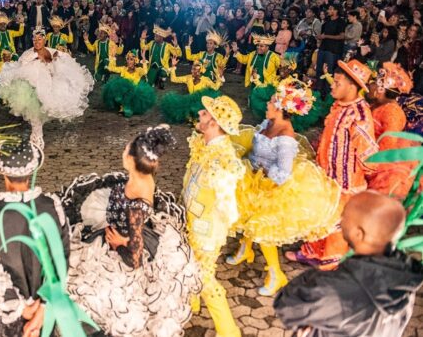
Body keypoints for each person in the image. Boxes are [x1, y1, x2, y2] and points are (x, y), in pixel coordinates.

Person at [63, 125, 202, 337]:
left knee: (93, 287)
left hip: (125, 241)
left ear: (130, 161)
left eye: (126, 149)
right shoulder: (141, 177)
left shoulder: (137, 205)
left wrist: (121, 241)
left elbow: (136, 259)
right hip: (121, 222)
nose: (123, 151)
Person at [226, 78, 342, 296]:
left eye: (271, 102)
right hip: (253, 178)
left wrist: (263, 170)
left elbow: (283, 175)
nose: (267, 105)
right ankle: (245, 248)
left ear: (280, 106)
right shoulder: (268, 122)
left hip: (273, 189)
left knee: (262, 227)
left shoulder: (286, 137)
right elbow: (254, 145)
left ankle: (276, 273)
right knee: (246, 215)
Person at [274, 191, 423, 337]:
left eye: (344, 215)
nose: (340, 219)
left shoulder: (335, 289)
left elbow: (286, 305)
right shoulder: (406, 278)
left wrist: (318, 275)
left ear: (359, 233)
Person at [0, 139, 67, 337]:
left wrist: (21, 308)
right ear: (31, 172)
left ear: (4, 174)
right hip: (45, 311)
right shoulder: (53, 206)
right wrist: (43, 306)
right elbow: (62, 258)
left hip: (8, 315)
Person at [287, 60, 378, 270]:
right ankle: (311, 251)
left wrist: (367, 180)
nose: (332, 85)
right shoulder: (338, 106)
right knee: (320, 214)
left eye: (337, 82)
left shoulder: (360, 115)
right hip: (326, 176)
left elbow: (369, 154)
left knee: (337, 223)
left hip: (346, 183)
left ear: (352, 86)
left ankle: (330, 262)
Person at [182, 95, 245, 337]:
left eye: (206, 113)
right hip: (191, 222)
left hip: (206, 232)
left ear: (215, 123)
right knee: (189, 266)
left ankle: (229, 331)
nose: (200, 113)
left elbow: (228, 207)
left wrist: (213, 230)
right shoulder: (205, 144)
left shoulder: (223, 159)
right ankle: (191, 303)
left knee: (206, 278)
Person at [0, 27, 93, 149]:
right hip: (32, 89)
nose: (37, 42)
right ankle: (37, 140)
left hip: (49, 87)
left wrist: (57, 60)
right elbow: (21, 68)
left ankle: (36, 139)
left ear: (44, 40)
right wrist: (33, 60)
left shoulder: (51, 51)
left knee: (42, 113)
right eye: (34, 39)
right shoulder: (28, 54)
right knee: (35, 114)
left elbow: (65, 59)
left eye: (39, 39)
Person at [366, 62, 418, 199]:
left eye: (373, 84)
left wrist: (365, 162)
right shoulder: (377, 105)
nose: (368, 87)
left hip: (379, 167)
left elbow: (387, 146)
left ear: (381, 90)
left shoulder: (392, 112)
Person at [160, 58, 222, 124]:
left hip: (201, 104)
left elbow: (215, 88)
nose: (192, 71)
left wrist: (219, 77)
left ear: (200, 71)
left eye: (195, 69)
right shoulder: (188, 78)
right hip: (191, 101)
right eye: (192, 69)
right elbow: (174, 79)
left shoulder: (206, 80)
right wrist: (173, 66)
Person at [101, 49, 156, 117]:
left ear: (135, 61)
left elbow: (145, 72)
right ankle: (123, 107)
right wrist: (112, 57)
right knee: (118, 95)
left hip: (134, 93)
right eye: (128, 59)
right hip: (124, 93)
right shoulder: (123, 69)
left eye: (131, 59)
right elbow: (111, 68)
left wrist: (144, 59)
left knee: (128, 112)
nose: (129, 61)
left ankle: (128, 107)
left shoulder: (138, 70)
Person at [315, 4, 346, 97]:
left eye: (331, 9)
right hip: (323, 48)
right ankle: (318, 93)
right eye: (329, 9)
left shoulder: (340, 21)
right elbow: (323, 34)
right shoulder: (327, 21)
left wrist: (326, 36)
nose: (328, 10)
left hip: (333, 50)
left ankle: (328, 94)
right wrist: (320, 37)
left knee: (328, 72)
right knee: (319, 71)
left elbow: (342, 36)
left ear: (336, 11)